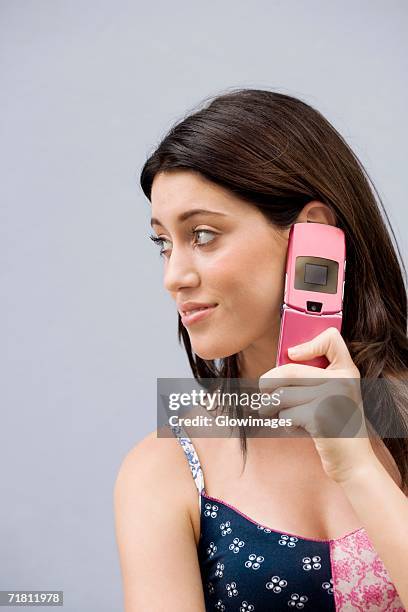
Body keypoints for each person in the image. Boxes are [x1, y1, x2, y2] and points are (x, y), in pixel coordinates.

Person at [114, 89, 408, 611]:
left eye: (202, 234)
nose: (174, 276)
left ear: (312, 235)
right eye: (164, 243)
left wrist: (357, 465)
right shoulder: (165, 471)